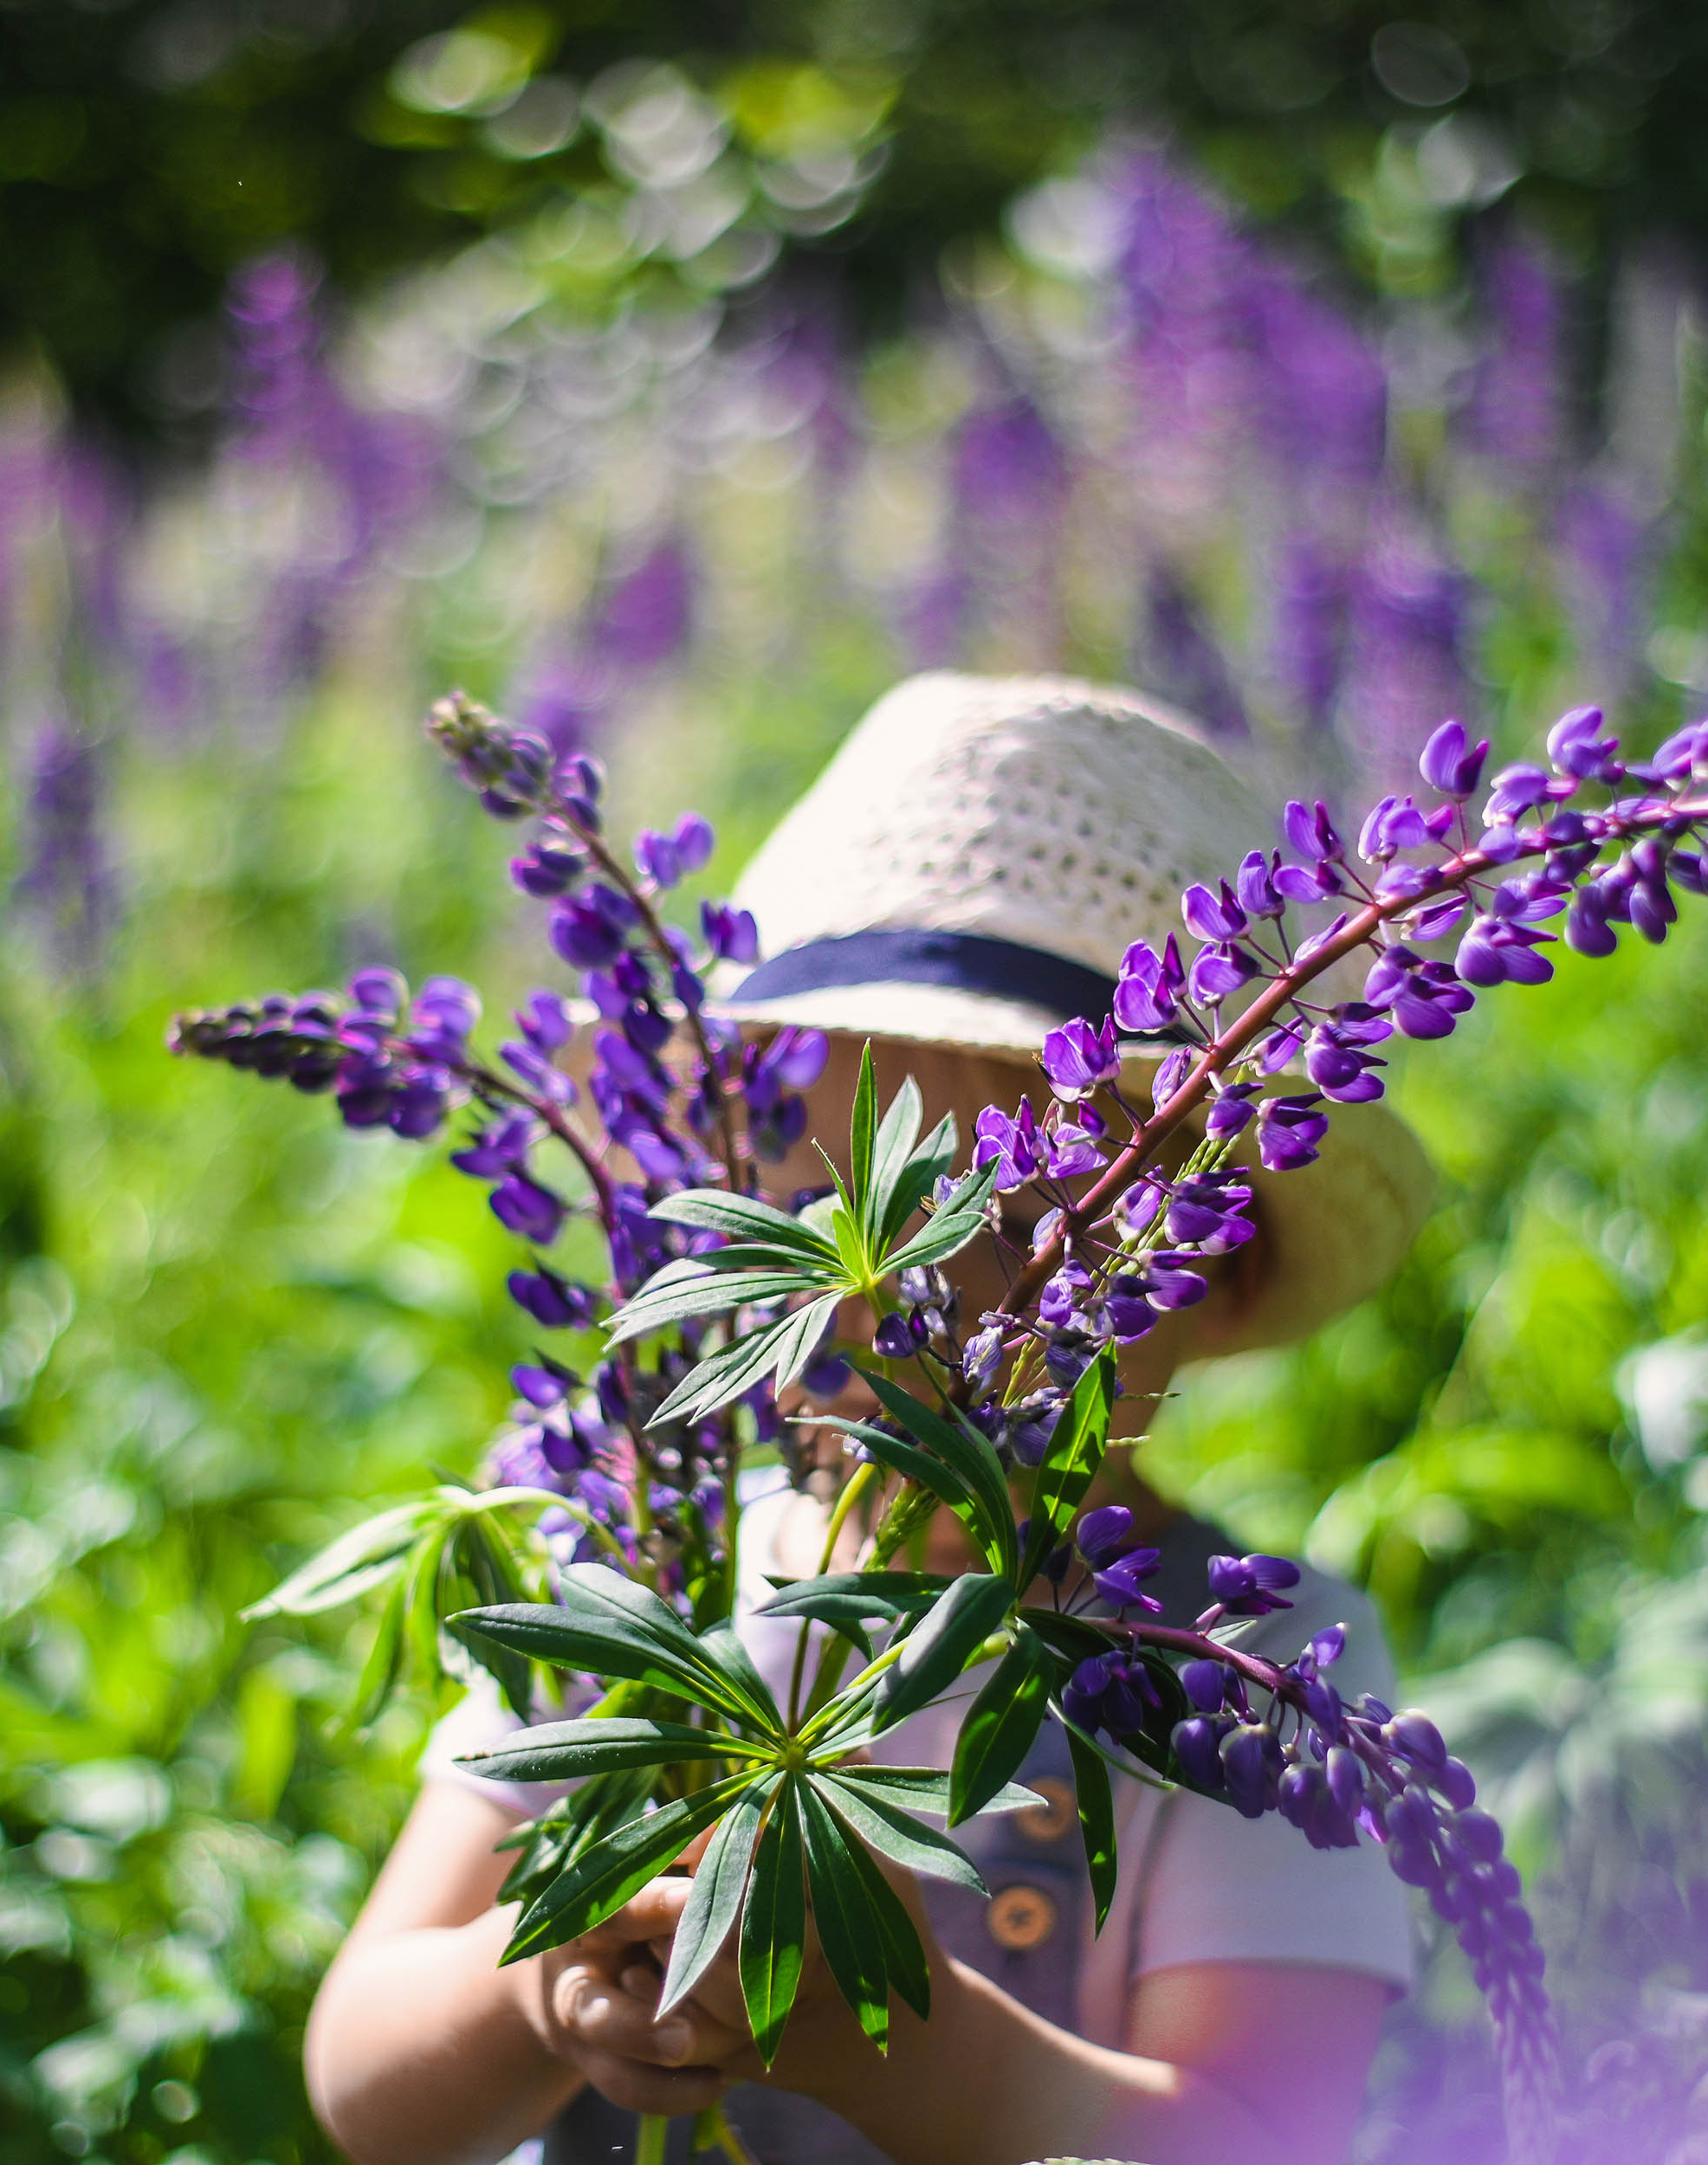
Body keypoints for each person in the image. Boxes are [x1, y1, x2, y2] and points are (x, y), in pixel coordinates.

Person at [304, 674, 1435, 2165]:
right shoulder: (653, 1568)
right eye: (811, 1213)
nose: (885, 1302)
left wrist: (912, 2047)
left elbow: (1258, 2141)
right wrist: (536, 1988)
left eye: (1007, 1227)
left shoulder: (1245, 1672)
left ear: (1204, 1265)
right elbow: (362, 2081)